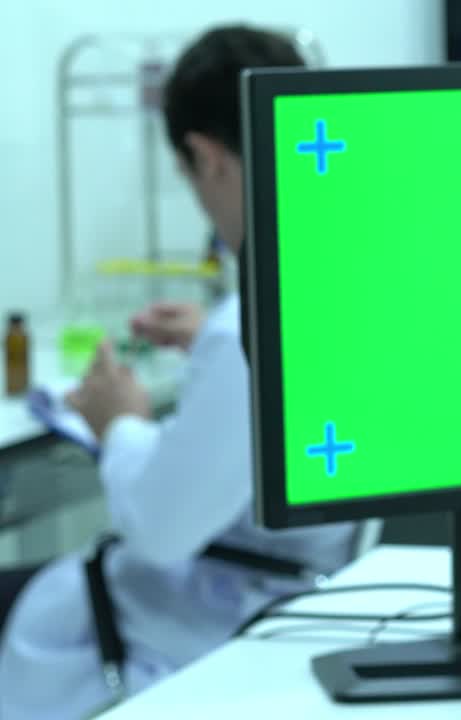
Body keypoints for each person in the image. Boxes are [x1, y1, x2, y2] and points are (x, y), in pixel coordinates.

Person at [0, 26, 357, 718]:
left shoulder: (246, 330)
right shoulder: (333, 290)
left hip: (199, 631)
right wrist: (215, 344)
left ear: (204, 155)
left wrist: (122, 421)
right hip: (297, 599)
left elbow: (160, 531)